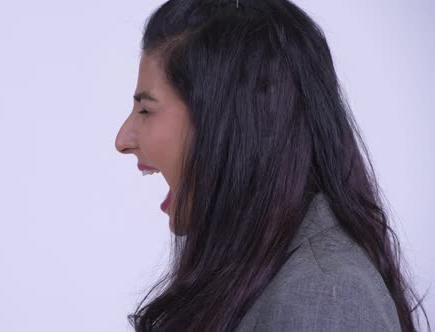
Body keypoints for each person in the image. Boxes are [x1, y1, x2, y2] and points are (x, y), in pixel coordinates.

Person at [114, 0, 430, 331]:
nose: (122, 140)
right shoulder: (259, 271)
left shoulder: (324, 295)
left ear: (233, 122)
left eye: (146, 110)